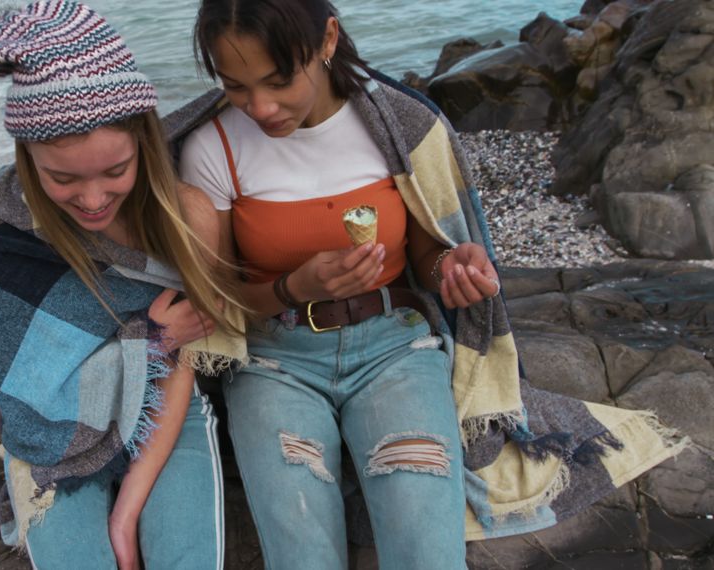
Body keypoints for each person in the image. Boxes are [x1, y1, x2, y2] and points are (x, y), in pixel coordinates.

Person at [178, 0, 685, 568]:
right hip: (275, 362)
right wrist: (293, 288)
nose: (260, 107)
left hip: (396, 351)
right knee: (300, 552)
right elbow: (215, 298)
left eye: (278, 80)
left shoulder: (400, 126)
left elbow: (430, 252)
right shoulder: (211, 146)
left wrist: (456, 269)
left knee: (426, 552)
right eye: (236, 86)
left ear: (326, 40)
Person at [0, 1, 245, 569]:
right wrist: (153, 336)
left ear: (143, 141)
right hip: (54, 428)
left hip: (165, 407)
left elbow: (179, 368)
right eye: (62, 178)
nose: (92, 200)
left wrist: (127, 512)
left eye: (115, 171)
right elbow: (32, 389)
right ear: (26, 157)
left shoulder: (186, 214)